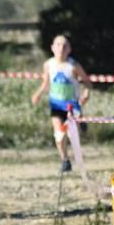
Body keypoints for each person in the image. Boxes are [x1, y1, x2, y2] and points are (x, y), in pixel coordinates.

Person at [30, 34, 91, 174]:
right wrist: (37, 94)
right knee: (59, 134)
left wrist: (86, 93)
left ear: (69, 49)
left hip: (72, 105)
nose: (61, 48)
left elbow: (87, 82)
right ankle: (64, 161)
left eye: (64, 45)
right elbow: (46, 83)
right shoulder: (48, 65)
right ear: (52, 48)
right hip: (56, 105)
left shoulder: (73, 66)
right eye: (58, 44)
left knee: (71, 134)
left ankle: (80, 126)